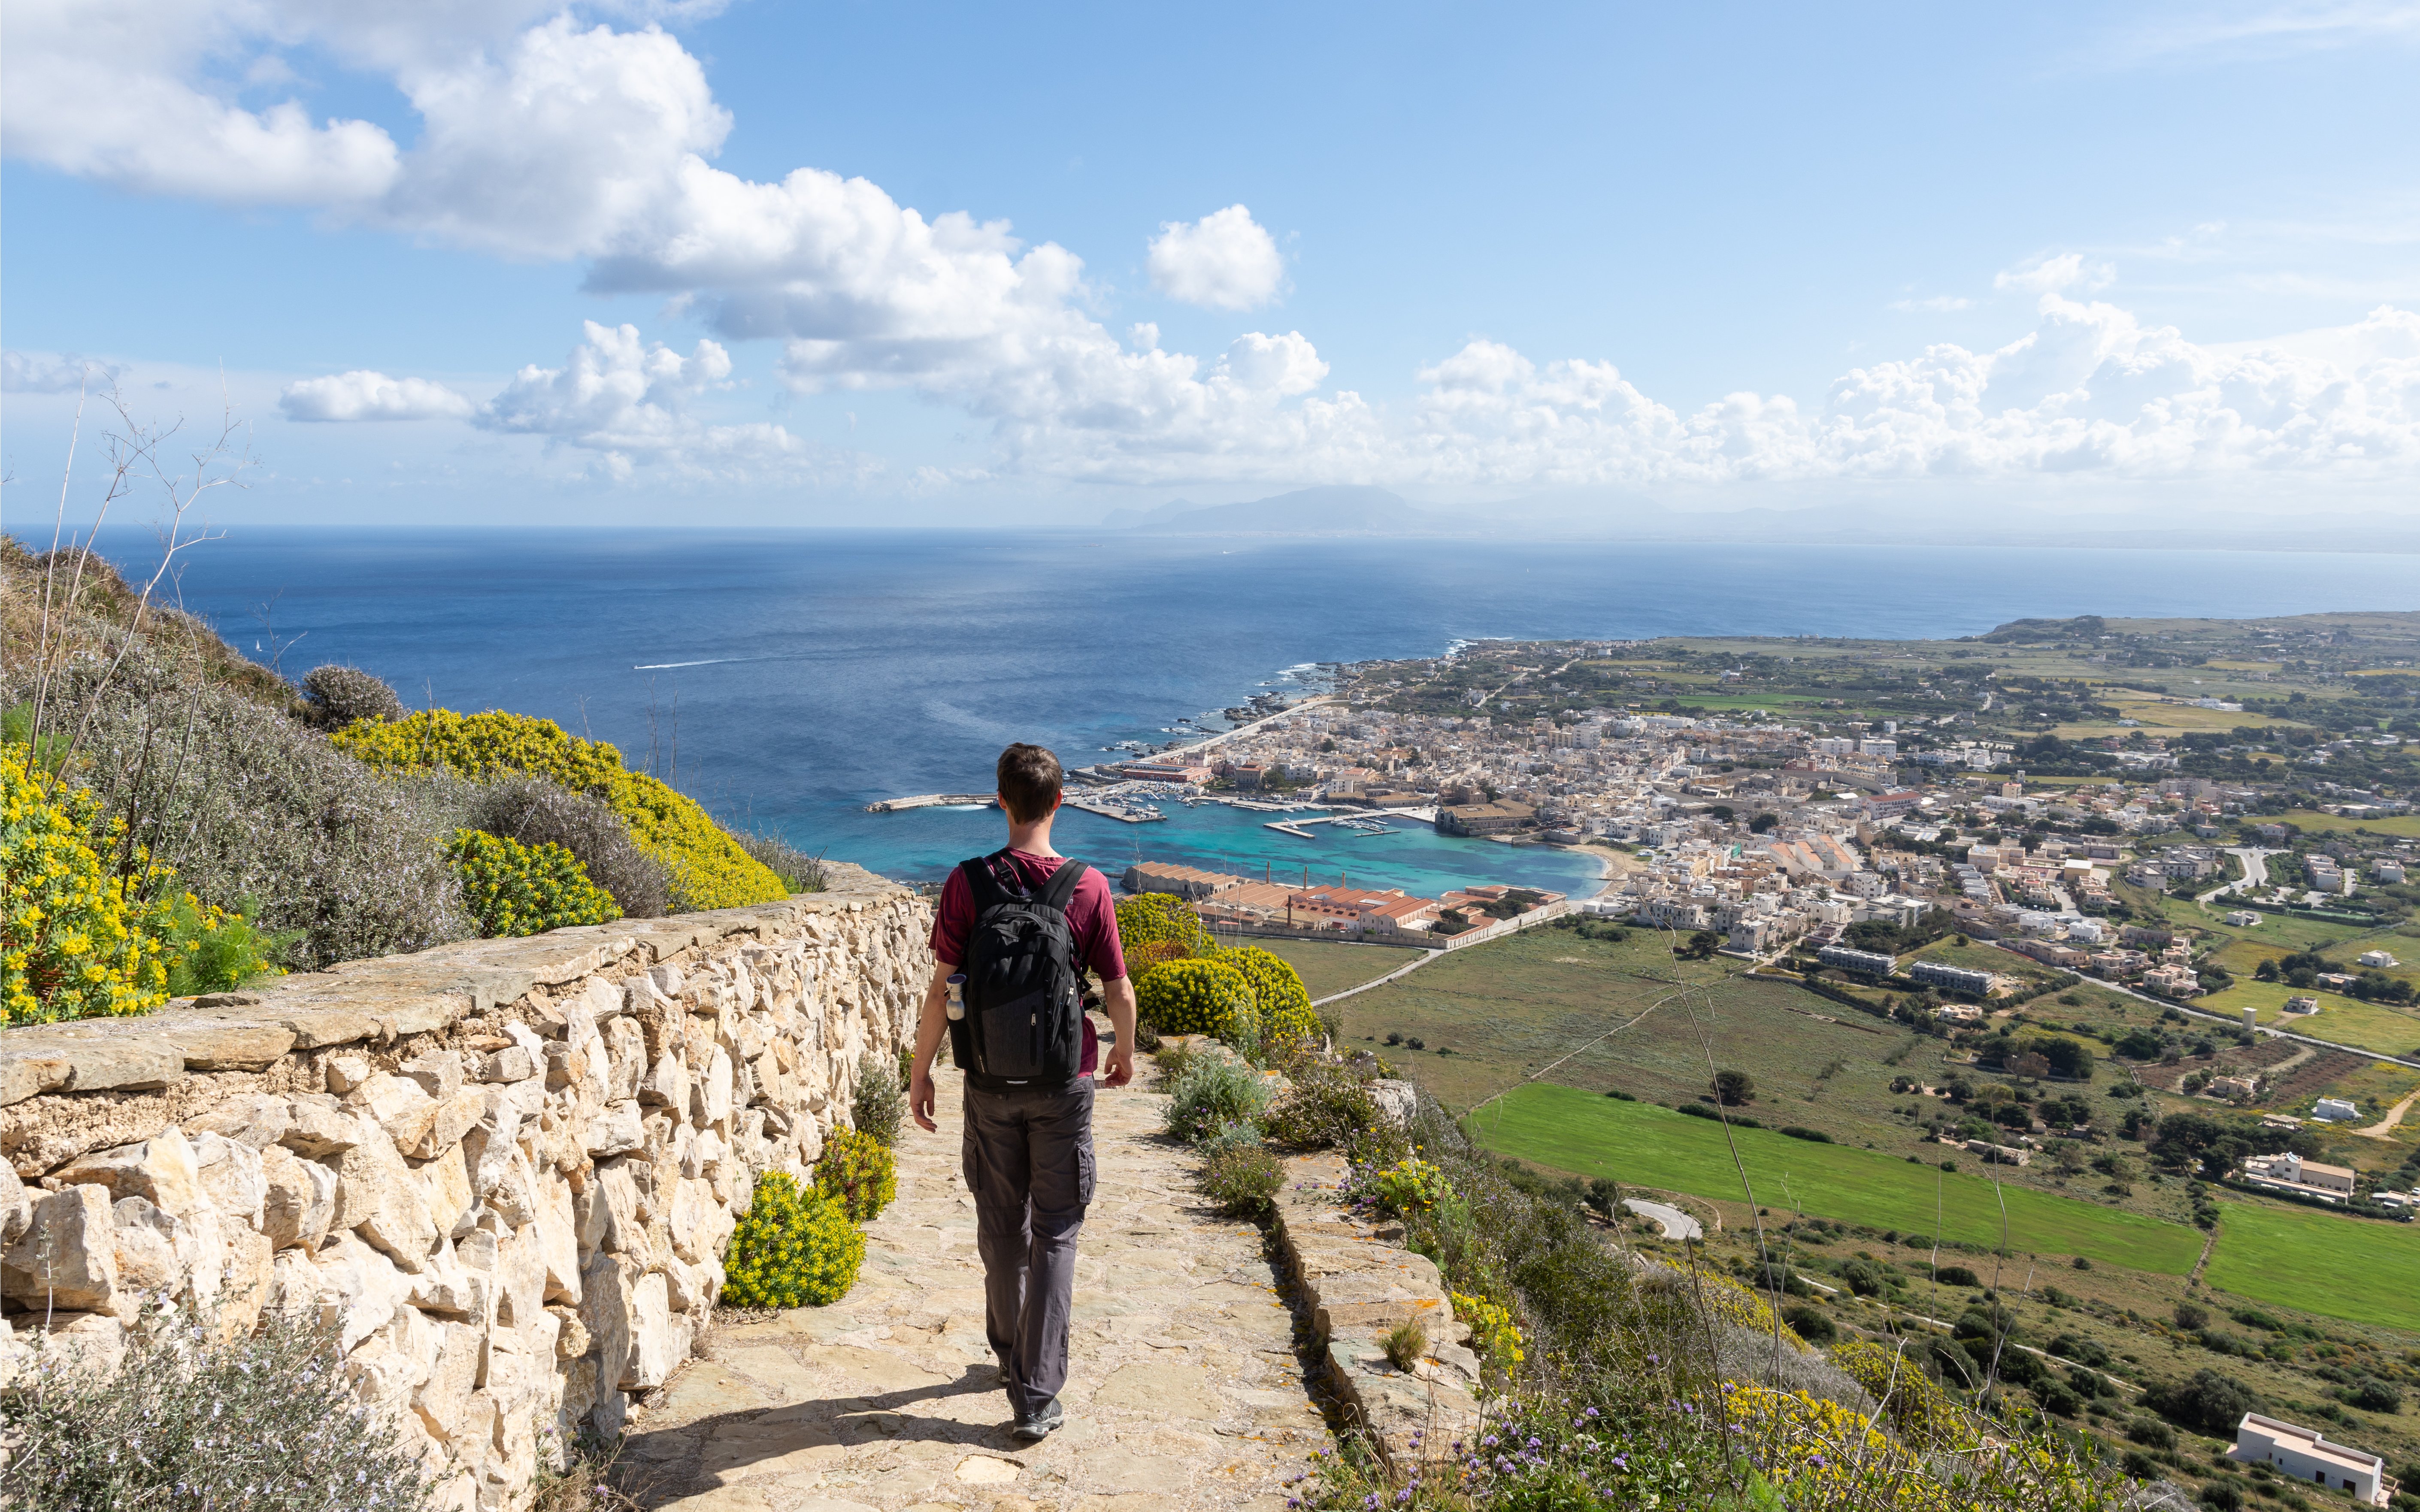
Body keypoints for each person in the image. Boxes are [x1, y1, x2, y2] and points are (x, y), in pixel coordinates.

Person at [908, 742, 1136, 1440]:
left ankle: (1008, 1352)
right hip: (1064, 1082)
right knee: (1058, 1228)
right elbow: (1119, 988)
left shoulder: (966, 883)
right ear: (1059, 801)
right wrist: (1124, 1049)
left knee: (1002, 1222)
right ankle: (1036, 1394)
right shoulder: (1087, 886)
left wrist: (920, 1071)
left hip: (988, 1081)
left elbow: (941, 990)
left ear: (1000, 800)